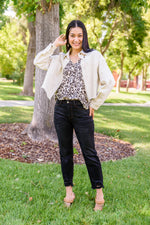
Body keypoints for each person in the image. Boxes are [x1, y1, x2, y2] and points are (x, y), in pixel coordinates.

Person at [34, 20, 115, 211]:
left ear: (84, 36)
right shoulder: (60, 58)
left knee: (89, 152)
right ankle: (69, 191)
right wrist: (54, 45)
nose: (76, 39)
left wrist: (94, 103)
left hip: (82, 110)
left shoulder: (93, 56)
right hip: (61, 109)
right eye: (72, 35)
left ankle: (99, 192)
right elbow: (39, 61)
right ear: (67, 37)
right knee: (65, 153)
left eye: (79, 35)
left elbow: (109, 81)